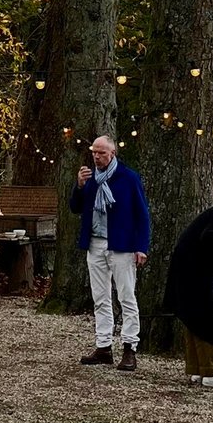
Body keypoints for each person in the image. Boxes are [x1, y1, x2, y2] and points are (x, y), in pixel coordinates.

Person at [69, 134, 151, 371]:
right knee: (100, 297)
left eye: (101, 152)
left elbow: (142, 214)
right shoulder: (90, 179)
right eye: (94, 152)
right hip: (95, 243)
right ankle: (103, 345)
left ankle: (129, 348)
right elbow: (75, 208)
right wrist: (79, 186)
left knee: (126, 296)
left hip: (122, 245)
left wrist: (141, 247)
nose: (97, 156)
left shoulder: (128, 178)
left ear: (112, 153)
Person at [162, 205, 213, 389]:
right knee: (206, 317)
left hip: (188, 268)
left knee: (194, 318)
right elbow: (209, 238)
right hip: (196, 271)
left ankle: (197, 368)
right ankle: (212, 372)